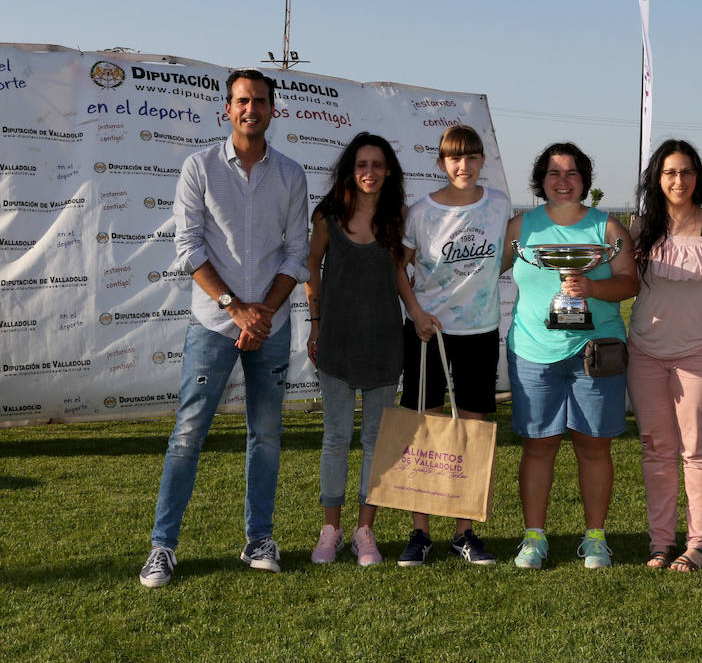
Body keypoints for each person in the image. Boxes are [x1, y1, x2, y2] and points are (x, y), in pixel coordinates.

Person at [140, 69, 309, 587]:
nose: (250, 109)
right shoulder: (199, 167)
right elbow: (188, 247)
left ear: (272, 109)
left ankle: (259, 537)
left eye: (259, 100)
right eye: (241, 101)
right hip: (215, 323)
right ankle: (162, 547)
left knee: (266, 437)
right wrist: (238, 309)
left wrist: (262, 315)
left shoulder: (291, 173)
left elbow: (298, 250)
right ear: (227, 110)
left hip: (272, 326)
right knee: (189, 434)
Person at [502, 142, 638, 569]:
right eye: (554, 173)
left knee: (593, 446)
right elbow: (482, 271)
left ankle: (595, 538)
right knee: (538, 446)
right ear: (541, 180)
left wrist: (593, 288)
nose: (563, 181)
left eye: (572, 173)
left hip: (595, 352)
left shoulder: (608, 227)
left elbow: (630, 283)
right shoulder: (520, 227)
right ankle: (533, 537)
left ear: (585, 180)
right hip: (533, 351)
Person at [395, 124, 511, 566]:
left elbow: (506, 253)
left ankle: (465, 532)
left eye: (471, 157)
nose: (463, 166)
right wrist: (417, 314)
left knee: (472, 433)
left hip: (479, 333)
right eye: (454, 158)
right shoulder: (420, 212)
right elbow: (398, 269)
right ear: (442, 163)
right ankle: (419, 532)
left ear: (483, 161)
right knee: (425, 431)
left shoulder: (498, 205)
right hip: (428, 334)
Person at [628, 140, 702, 573]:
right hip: (646, 352)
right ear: (657, 178)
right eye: (670, 172)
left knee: (698, 450)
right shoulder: (640, 227)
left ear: (699, 177)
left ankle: (699, 544)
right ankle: (660, 542)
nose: (679, 180)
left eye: (687, 171)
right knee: (656, 449)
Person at [305, 133, 406, 566]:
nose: (370, 172)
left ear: (388, 171)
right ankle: (331, 529)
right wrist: (316, 324)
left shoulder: (398, 218)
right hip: (338, 344)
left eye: (378, 164)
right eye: (362, 164)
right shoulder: (327, 217)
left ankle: (366, 530)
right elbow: (311, 267)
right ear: (350, 169)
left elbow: (404, 275)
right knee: (336, 438)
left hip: (384, 343)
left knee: (375, 441)